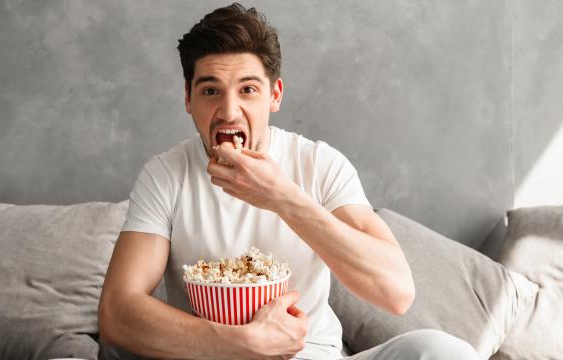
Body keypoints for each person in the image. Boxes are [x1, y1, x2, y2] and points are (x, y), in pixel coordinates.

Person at [98, 3, 480, 360]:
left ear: (274, 95)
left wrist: (280, 196)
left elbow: (396, 293)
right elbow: (117, 314)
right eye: (210, 91)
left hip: (314, 354)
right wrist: (241, 342)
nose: (229, 112)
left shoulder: (319, 164)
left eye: (248, 89)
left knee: (443, 350)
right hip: (216, 356)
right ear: (188, 99)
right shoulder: (166, 175)